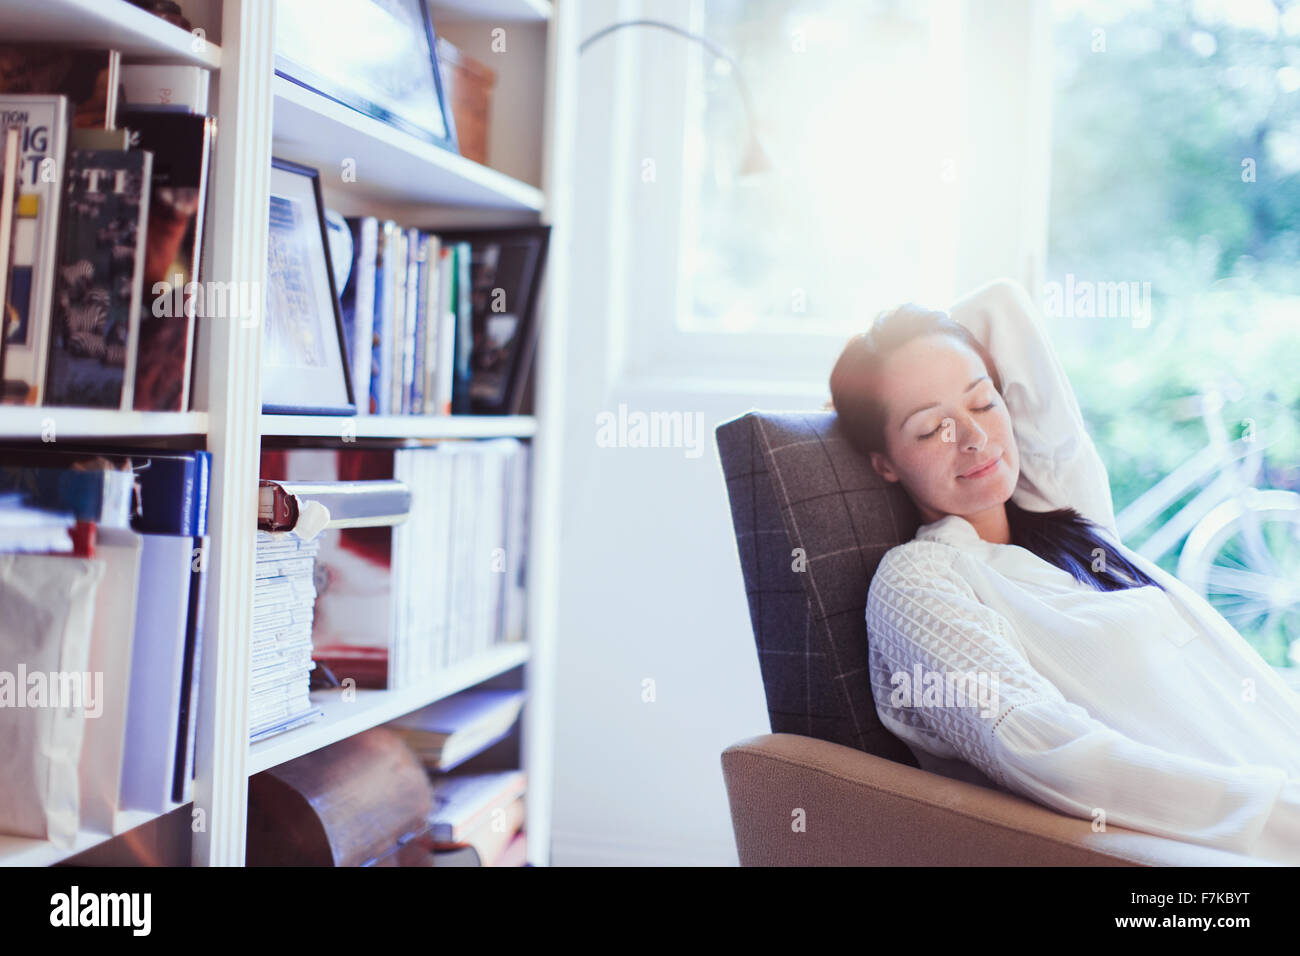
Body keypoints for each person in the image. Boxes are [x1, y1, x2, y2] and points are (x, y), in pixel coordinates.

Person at [827, 277, 1300, 863]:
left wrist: (904, 353)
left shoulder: (1069, 526)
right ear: (885, 462)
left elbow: (1002, 306)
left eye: (982, 402)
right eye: (930, 428)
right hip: (1242, 848)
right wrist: (1281, 820)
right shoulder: (919, 584)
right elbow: (1046, 749)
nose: (974, 438)